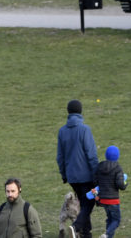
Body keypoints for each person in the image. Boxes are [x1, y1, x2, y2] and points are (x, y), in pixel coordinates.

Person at [57, 99, 98, 238]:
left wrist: (64, 174)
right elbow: (91, 155)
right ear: (80, 111)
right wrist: (96, 175)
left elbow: (60, 156)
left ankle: (86, 233)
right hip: (86, 176)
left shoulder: (62, 131)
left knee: (83, 203)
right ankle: (77, 227)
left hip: (72, 177)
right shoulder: (85, 130)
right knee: (88, 203)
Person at [93, 145, 127, 238]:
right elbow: (120, 184)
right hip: (113, 200)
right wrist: (125, 184)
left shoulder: (99, 166)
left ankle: (108, 236)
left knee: (109, 219)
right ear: (117, 156)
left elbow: (95, 181)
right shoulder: (117, 168)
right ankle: (107, 234)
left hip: (103, 199)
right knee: (116, 220)